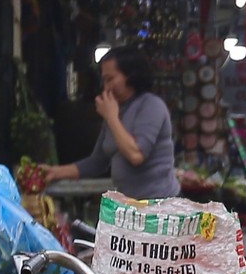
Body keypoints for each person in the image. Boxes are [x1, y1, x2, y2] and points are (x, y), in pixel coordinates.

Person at [39, 51, 178, 199]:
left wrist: (111, 117)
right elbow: (98, 162)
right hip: (131, 205)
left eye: (110, 79)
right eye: (104, 81)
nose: (106, 88)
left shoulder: (151, 105)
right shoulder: (115, 112)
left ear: (131, 76)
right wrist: (56, 172)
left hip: (160, 204)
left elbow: (136, 155)